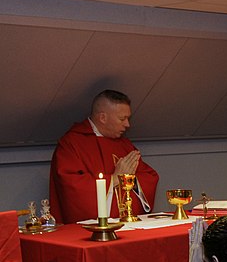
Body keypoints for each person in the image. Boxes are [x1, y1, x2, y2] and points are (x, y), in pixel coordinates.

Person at [49, 89, 159, 224]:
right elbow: (71, 186)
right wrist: (113, 179)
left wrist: (129, 179)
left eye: (128, 118)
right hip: (89, 230)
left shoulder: (124, 144)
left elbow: (149, 176)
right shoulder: (72, 143)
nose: (127, 124)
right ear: (102, 118)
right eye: (122, 119)